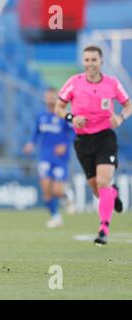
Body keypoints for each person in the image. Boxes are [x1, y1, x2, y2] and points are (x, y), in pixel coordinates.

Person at [55, 45, 132, 245]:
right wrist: (72, 117)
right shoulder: (74, 82)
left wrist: (121, 118)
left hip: (105, 137)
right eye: (87, 60)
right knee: (98, 190)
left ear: (101, 61)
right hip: (83, 141)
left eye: (94, 60)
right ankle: (112, 194)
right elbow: (59, 107)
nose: (90, 64)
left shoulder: (113, 84)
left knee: (103, 182)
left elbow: (128, 104)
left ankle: (103, 229)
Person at [23, 88, 75, 228]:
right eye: (48, 97)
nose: (50, 99)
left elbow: (72, 133)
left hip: (60, 158)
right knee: (46, 190)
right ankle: (55, 216)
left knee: (57, 191)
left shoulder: (64, 115)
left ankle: (65, 196)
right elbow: (36, 132)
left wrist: (64, 145)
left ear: (57, 98)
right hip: (45, 157)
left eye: (53, 97)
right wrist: (30, 144)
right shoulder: (41, 116)